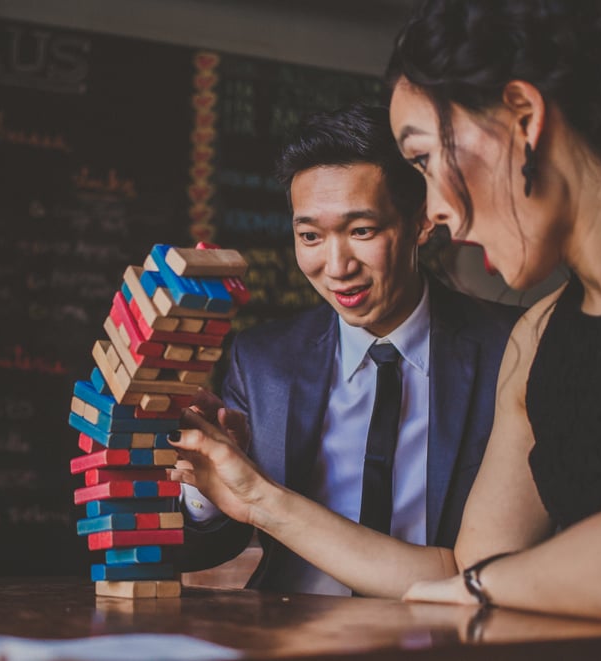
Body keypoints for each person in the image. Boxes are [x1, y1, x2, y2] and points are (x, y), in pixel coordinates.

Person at [168, 0, 601, 624]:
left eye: (427, 161)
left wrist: (479, 585)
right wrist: (254, 498)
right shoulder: (536, 337)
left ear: (525, 117)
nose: (436, 210)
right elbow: (467, 570)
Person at [179, 103, 521, 595]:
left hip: (443, 627)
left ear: (421, 222)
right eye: (310, 236)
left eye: (361, 231)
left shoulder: (510, 349)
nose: (336, 266)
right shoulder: (260, 362)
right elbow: (208, 548)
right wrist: (204, 490)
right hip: (291, 634)